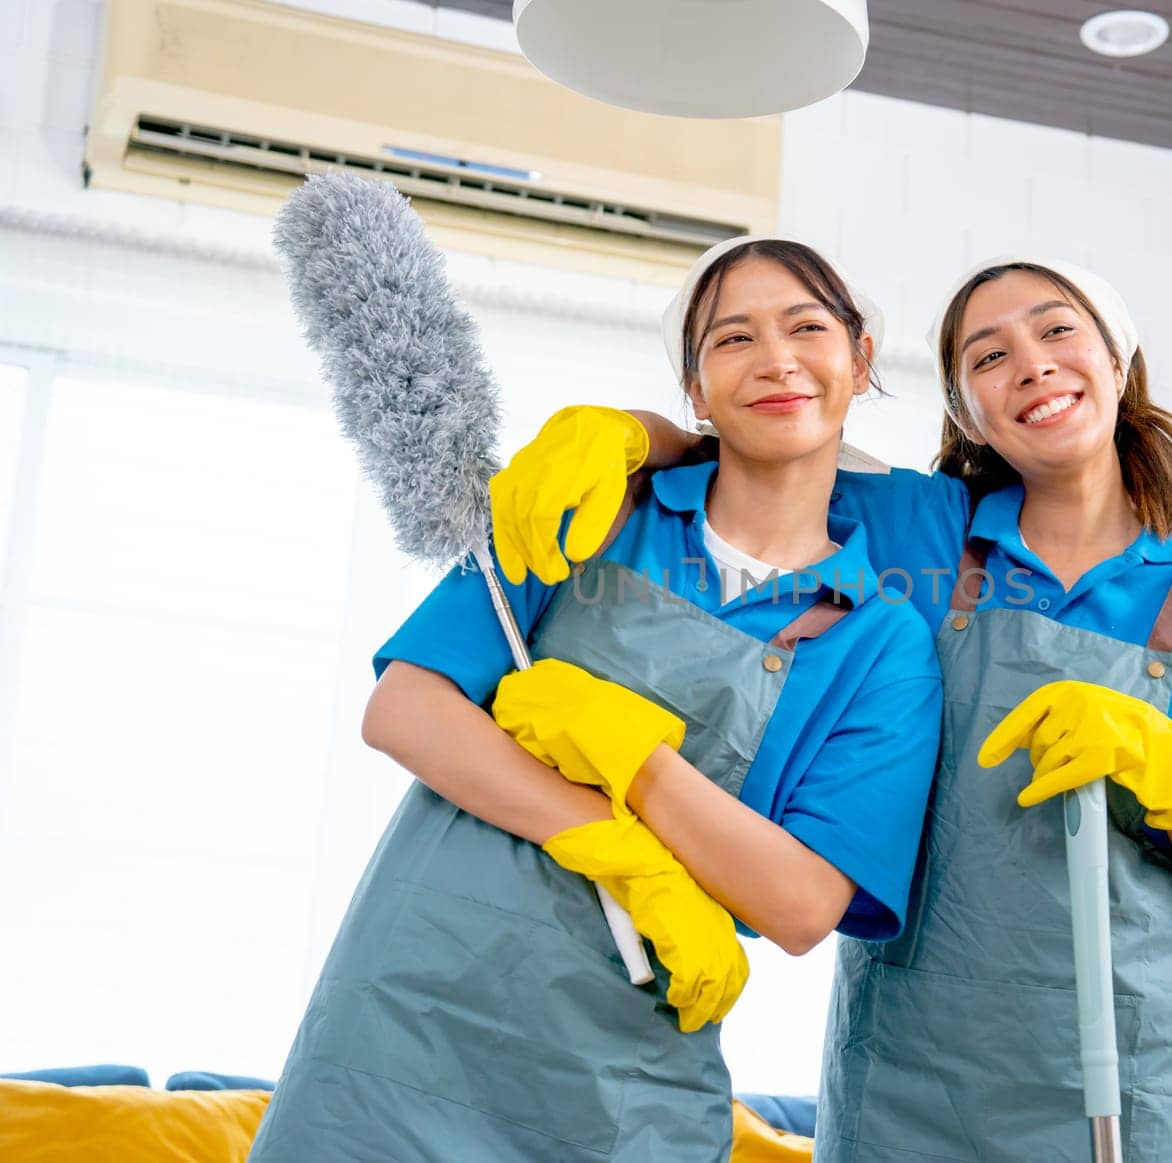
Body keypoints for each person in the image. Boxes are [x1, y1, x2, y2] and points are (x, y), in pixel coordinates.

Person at [496, 255, 1172, 1161]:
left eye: (1056, 332)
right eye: (988, 356)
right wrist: (626, 431)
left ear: (1117, 361)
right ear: (967, 412)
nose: (1032, 366)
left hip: (1114, 1080)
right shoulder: (925, 531)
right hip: (903, 1078)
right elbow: (752, 436)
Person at [248, 238, 943, 1162]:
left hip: (625, 1078)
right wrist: (616, 847)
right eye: (732, 338)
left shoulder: (879, 639)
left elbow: (804, 900)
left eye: (806, 327)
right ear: (695, 391)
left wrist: (636, 763)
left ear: (858, 360)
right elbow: (407, 707)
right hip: (406, 1021)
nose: (776, 359)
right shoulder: (596, 507)